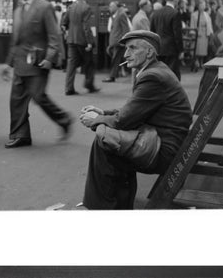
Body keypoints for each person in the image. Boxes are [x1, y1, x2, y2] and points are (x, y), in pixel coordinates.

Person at [79, 30, 192, 209]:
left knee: (105, 142)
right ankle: (113, 205)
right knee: (110, 140)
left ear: (149, 52)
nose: (125, 54)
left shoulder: (152, 77)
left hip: (164, 149)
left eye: (132, 48)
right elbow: (135, 110)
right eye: (126, 49)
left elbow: (124, 120)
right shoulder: (156, 70)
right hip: (164, 140)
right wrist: (103, 111)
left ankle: (101, 207)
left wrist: (96, 120)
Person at [0, 0, 73, 148]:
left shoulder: (44, 7)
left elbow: (54, 36)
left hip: (38, 63)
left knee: (38, 97)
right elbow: (15, 41)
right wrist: (7, 64)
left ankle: (64, 119)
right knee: (16, 100)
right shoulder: (18, 11)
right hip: (19, 63)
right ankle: (20, 135)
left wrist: (50, 58)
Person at [63, 0, 99, 95]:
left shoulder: (71, 6)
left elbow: (64, 22)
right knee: (89, 62)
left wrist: (66, 32)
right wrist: (89, 42)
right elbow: (86, 26)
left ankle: (68, 88)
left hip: (71, 39)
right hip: (82, 40)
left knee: (71, 64)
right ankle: (89, 84)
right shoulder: (86, 8)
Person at [150, 0, 184, 80]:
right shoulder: (175, 13)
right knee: (172, 75)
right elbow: (177, 34)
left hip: (158, 48)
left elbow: (152, 32)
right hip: (171, 49)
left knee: (160, 73)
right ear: (175, 0)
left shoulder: (155, 13)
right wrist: (181, 50)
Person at [102, 1, 131, 83]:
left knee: (115, 59)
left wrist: (124, 41)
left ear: (116, 7)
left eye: (111, 6)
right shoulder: (115, 15)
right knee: (116, 58)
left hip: (118, 42)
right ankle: (114, 74)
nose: (109, 8)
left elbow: (126, 29)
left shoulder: (121, 15)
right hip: (115, 42)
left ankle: (112, 76)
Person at [190, 0, 213, 71]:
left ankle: (201, 62)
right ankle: (196, 62)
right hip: (198, 34)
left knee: (203, 50)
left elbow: (209, 24)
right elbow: (192, 24)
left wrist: (209, 33)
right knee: (196, 49)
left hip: (204, 34)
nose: (203, 6)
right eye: (202, 5)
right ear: (199, 6)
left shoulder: (207, 15)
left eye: (204, 5)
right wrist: (193, 33)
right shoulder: (194, 14)